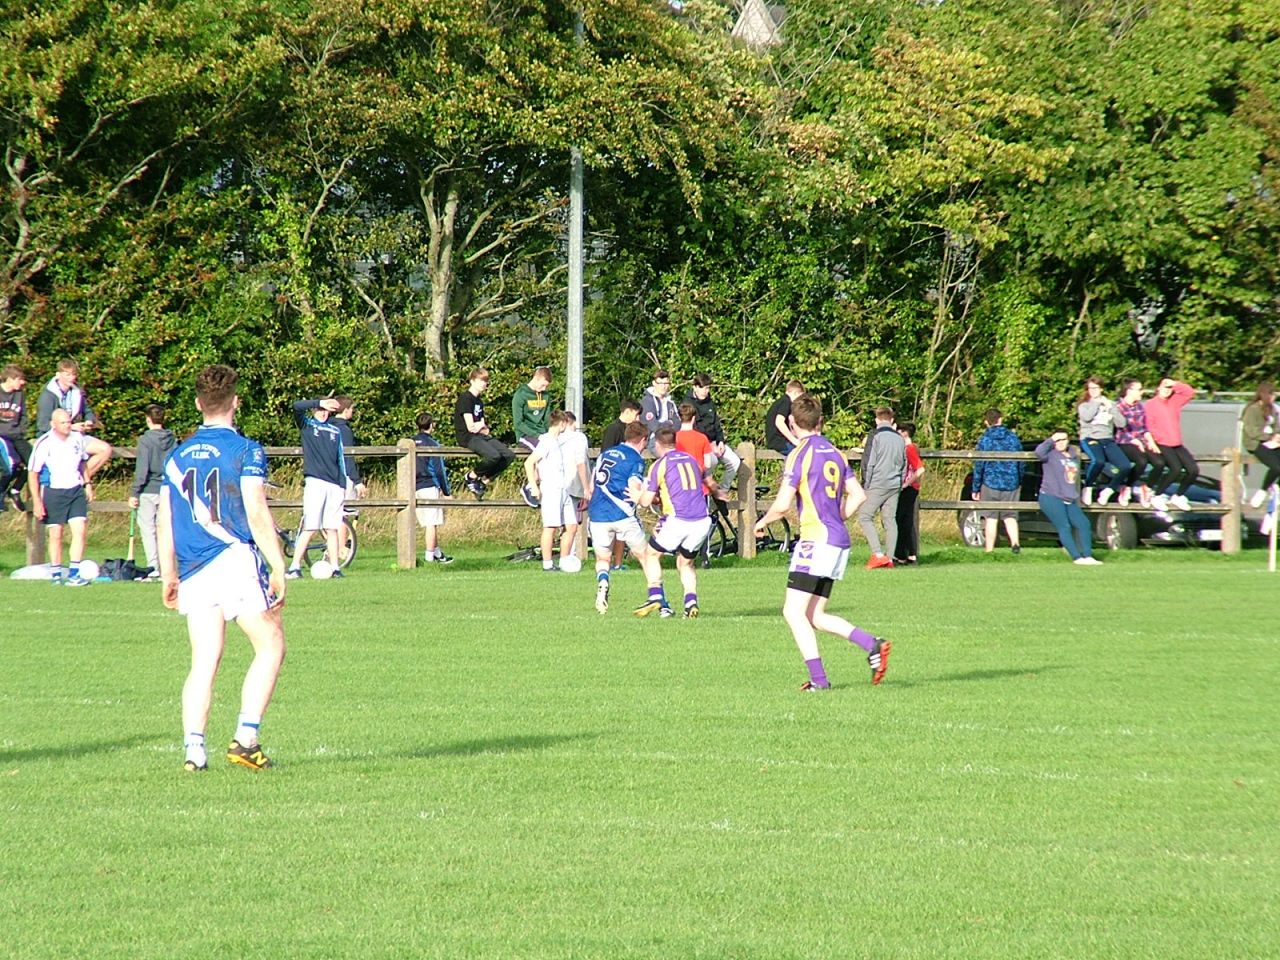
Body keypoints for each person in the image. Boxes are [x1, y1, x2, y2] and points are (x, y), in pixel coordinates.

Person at [157, 363, 288, 772]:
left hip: (193, 567)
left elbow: (163, 519)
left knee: (205, 659)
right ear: (236, 402)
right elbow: (255, 509)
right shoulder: (246, 450)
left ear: (199, 404)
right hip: (232, 558)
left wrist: (168, 573)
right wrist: (279, 564)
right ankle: (246, 739)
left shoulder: (176, 456)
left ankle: (194, 749)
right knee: (270, 644)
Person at [753, 393, 890, 691]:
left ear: (791, 422)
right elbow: (859, 495)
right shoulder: (835, 452)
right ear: (821, 422)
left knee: (792, 612)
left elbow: (781, 505)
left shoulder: (799, 454)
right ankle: (872, 644)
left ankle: (819, 680)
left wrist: (760, 524)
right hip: (838, 541)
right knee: (814, 614)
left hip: (816, 540)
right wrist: (836, 515)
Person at [633, 427, 712, 618]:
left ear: (658, 445)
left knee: (651, 554)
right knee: (685, 563)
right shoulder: (691, 460)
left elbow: (645, 501)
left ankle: (655, 596)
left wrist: (637, 495)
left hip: (679, 519)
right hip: (702, 520)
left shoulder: (660, 465)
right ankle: (691, 602)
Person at [28, 408, 112, 585]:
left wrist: (87, 485)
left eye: (68, 422)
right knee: (56, 534)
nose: (67, 425)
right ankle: (57, 574)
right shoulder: (44, 443)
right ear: (54, 424)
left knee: (80, 531)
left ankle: (74, 573)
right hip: (53, 491)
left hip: (75, 490)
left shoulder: (77, 439)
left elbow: (82, 464)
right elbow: (33, 473)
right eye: (63, 423)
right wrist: (37, 501)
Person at [587, 421, 651, 614]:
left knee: (603, 557)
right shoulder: (636, 460)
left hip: (597, 514)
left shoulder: (606, 454)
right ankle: (659, 599)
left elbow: (592, 484)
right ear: (643, 439)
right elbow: (634, 486)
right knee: (647, 557)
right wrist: (645, 499)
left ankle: (603, 584)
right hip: (622, 514)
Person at [288, 395, 347, 579]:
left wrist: (342, 484)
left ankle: (335, 567)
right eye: (319, 409)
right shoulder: (307, 425)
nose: (322, 413)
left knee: (331, 528)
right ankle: (295, 567)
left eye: (325, 410)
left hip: (334, 485)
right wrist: (319, 403)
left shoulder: (335, 431)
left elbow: (340, 459)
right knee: (310, 527)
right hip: (315, 482)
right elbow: (296, 406)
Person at [1034, 430, 1101, 564]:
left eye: (1063, 439)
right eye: (1058, 440)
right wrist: (1050, 439)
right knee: (1064, 526)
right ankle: (1076, 557)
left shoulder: (1073, 455)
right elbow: (1039, 452)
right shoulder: (1050, 454)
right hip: (1051, 496)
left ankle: (1087, 555)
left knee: (1083, 523)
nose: (1060, 443)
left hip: (1069, 497)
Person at [524, 410, 578, 571]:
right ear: (561, 424)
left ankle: (564, 561)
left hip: (564, 488)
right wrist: (533, 486)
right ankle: (547, 564)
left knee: (572, 526)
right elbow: (529, 462)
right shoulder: (546, 441)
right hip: (551, 488)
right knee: (551, 526)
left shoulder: (557, 441)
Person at [127, 404, 177, 577]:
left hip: (149, 489)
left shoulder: (145, 440)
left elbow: (142, 469)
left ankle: (154, 567)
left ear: (148, 419)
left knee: (148, 530)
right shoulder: (173, 439)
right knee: (167, 529)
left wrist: (134, 492)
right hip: (168, 488)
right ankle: (169, 567)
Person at [857, 407, 906, 569]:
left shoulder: (876, 436)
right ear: (891, 420)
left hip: (878, 482)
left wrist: (866, 484)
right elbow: (904, 463)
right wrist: (900, 482)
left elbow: (869, 462)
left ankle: (877, 554)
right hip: (894, 484)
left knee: (865, 516)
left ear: (877, 420)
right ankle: (890, 558)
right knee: (890, 520)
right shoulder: (900, 438)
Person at [454, 368, 514, 498]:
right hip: (468, 437)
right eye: (481, 381)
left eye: (486, 381)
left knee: (508, 455)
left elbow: (484, 428)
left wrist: (481, 426)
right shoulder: (466, 398)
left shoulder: (479, 402)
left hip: (480, 436)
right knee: (494, 456)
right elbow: (471, 427)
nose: (484, 384)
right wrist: (481, 425)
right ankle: (471, 476)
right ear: (472, 381)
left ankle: (484, 481)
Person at [972, 408, 1024, 554]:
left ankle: (989, 549)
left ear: (986, 422)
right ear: (1000, 419)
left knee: (991, 517)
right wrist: (1019, 479)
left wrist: (976, 488)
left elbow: (979, 465)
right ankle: (1015, 543)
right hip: (1011, 482)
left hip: (990, 482)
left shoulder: (985, 440)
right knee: (1011, 516)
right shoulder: (1013, 438)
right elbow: (1022, 462)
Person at [1144, 377, 1198, 511]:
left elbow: (1189, 392)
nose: (1167, 391)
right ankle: (1158, 495)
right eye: (1164, 387)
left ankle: (1178, 495)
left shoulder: (1174, 402)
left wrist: (1174, 384)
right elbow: (1150, 425)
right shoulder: (1151, 404)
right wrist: (1158, 438)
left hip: (1176, 442)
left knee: (1193, 470)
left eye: (1169, 389)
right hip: (1162, 442)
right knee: (1175, 469)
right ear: (1158, 388)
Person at [1076, 376, 1130, 505]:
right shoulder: (1084, 405)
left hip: (1107, 439)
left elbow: (1121, 423)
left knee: (1125, 466)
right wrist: (1096, 403)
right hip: (1090, 437)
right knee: (1098, 461)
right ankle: (1088, 487)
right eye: (1090, 388)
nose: (1093, 391)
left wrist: (1111, 408)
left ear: (1101, 389)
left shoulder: (1110, 404)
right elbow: (1087, 417)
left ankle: (1109, 490)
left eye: (1096, 388)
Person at [684, 373, 740, 491]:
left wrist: (720, 441)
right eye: (703, 388)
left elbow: (716, 424)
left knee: (735, 462)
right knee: (712, 462)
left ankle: (722, 491)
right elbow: (696, 428)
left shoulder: (710, 402)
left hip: (714, 442)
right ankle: (704, 489)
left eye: (708, 388)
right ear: (695, 387)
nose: (705, 391)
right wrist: (709, 445)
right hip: (701, 444)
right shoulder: (688, 403)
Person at [1115, 379, 1164, 508]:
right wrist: (1134, 440)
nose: (1141, 392)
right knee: (1141, 461)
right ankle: (1127, 486)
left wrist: (1151, 442)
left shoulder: (1139, 407)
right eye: (1139, 389)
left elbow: (1144, 428)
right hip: (1124, 441)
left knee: (1159, 463)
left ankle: (1147, 488)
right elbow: (1119, 429)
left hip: (1140, 440)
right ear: (1129, 391)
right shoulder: (1118, 407)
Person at [413, 412, 453, 564]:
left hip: (414, 487)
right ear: (431, 425)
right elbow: (439, 470)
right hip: (428, 485)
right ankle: (429, 557)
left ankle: (437, 553)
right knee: (432, 523)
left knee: (427, 522)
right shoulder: (433, 444)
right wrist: (446, 491)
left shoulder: (410, 442)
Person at [675, 402, 727, 500]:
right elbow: (707, 464)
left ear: (679, 418)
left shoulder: (674, 439)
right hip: (699, 486)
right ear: (694, 418)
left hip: (679, 486)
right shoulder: (702, 438)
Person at [1241, 382, 1280, 508]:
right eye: (1272, 395)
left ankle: (1276, 487)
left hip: (1271, 441)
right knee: (1276, 467)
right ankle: (1262, 491)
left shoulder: (1273, 409)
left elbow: (1275, 426)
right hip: (1255, 442)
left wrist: (1277, 436)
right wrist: (1269, 437)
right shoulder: (1253, 409)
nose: (1274, 398)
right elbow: (1251, 431)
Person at [36, 358, 99, 434]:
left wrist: (89, 421)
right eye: (68, 375)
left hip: (73, 435)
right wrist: (71, 427)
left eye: (74, 374)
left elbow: (87, 410)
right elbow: (43, 425)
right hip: (52, 436)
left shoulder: (77, 392)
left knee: (103, 446)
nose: (72, 378)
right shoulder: (48, 395)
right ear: (58, 375)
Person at [893, 421, 925, 565]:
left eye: (899, 431)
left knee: (903, 520)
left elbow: (920, 469)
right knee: (905, 521)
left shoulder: (909, 449)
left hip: (909, 489)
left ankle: (904, 554)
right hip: (909, 488)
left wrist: (906, 483)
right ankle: (908, 554)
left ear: (905, 433)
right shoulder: (907, 448)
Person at [0, 363, 30, 511]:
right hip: (1, 437)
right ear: (11, 379)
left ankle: (15, 490)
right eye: (20, 379)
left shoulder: (20, 394)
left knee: (34, 463)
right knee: (12, 465)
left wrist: (21, 430)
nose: (22, 383)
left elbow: (24, 415)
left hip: (16, 435)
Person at [332, 397, 368, 501]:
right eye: (351, 408)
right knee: (345, 510)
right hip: (344, 475)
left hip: (328, 474)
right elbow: (347, 456)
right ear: (346, 410)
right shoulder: (344, 430)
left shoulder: (328, 426)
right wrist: (356, 480)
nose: (352, 411)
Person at [512, 366, 552, 452]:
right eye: (543, 385)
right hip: (525, 435)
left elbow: (547, 420)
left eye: (546, 386)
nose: (544, 388)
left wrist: (550, 433)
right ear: (536, 378)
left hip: (542, 433)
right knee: (543, 450)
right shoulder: (521, 394)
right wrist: (537, 435)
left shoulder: (546, 396)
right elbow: (518, 423)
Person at [763, 380, 805, 456]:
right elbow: (779, 422)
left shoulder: (781, 401)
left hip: (776, 441)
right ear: (796, 393)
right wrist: (794, 440)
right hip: (779, 442)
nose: (800, 400)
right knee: (804, 454)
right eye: (800, 397)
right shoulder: (786, 402)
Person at [639, 369, 679, 449]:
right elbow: (655, 427)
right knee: (671, 454)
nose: (663, 386)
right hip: (653, 439)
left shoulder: (670, 402)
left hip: (671, 437)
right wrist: (669, 423)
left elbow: (678, 423)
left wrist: (669, 425)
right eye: (660, 383)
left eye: (666, 383)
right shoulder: (648, 401)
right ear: (654, 383)